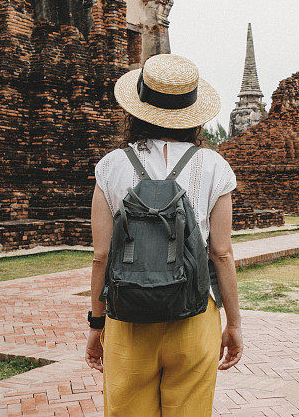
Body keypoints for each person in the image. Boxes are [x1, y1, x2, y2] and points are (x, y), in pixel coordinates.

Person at [85, 54, 243, 416]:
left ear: (138, 108)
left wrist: (96, 325)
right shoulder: (215, 166)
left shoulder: (111, 165)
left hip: (127, 317)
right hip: (194, 314)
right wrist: (233, 324)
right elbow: (221, 254)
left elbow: (101, 256)